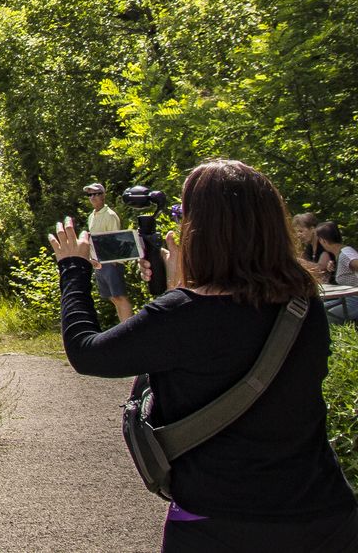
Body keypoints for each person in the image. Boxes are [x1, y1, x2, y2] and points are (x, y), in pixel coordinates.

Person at [49, 160, 358, 551]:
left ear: (202, 230)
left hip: (218, 522)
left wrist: (74, 268)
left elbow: (87, 352)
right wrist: (182, 287)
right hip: (325, 516)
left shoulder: (181, 314)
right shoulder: (303, 305)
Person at [84, 182, 135, 323]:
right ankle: (123, 326)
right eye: (90, 194)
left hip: (112, 262)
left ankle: (130, 329)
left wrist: (113, 261)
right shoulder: (91, 216)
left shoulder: (110, 215)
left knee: (120, 296)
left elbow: (114, 239)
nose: (92, 197)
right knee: (112, 297)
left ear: (103, 195)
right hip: (99, 262)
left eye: (96, 194)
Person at [318, 222, 358, 325]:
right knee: (319, 307)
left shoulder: (345, 253)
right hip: (346, 299)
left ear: (323, 241)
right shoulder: (341, 254)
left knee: (324, 316)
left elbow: (354, 262)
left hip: (354, 301)